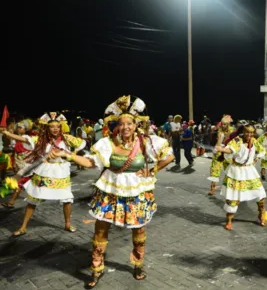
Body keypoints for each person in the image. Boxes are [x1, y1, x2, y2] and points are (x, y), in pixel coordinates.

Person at [49, 95, 175, 288]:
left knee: (139, 230)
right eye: (122, 124)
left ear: (136, 124)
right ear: (117, 125)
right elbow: (91, 162)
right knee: (100, 230)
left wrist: (152, 169)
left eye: (129, 124)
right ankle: (96, 268)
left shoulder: (146, 142)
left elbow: (169, 156)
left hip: (137, 191)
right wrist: (67, 154)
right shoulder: (107, 143)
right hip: (110, 191)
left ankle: (138, 264)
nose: (125, 127)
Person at [0, 112, 86, 236]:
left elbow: (81, 143)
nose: (55, 129)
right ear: (47, 128)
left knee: (67, 199)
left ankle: (67, 224)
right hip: (44, 171)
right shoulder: (41, 140)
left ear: (60, 127)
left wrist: (72, 154)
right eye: (52, 126)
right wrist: (7, 133)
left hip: (61, 172)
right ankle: (23, 227)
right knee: (33, 199)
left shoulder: (66, 139)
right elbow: (24, 139)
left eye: (57, 126)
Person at [215, 124, 267, 231]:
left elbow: (261, 150)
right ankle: (229, 220)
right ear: (243, 131)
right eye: (247, 132)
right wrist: (222, 149)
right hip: (236, 172)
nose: (249, 134)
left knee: (260, 194)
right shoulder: (237, 140)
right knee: (233, 197)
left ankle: (261, 214)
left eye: (251, 132)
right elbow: (231, 149)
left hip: (250, 171)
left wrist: (256, 158)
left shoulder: (254, 141)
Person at [207, 115, 234, 195]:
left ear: (229, 124)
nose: (223, 125)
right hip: (218, 151)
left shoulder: (232, 131)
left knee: (230, 170)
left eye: (225, 124)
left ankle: (231, 188)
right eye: (222, 124)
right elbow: (218, 141)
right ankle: (212, 188)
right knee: (215, 170)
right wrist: (216, 149)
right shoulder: (220, 130)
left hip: (228, 152)